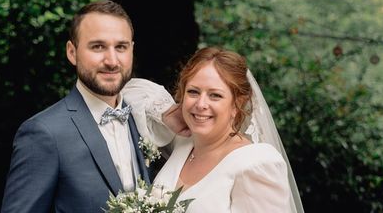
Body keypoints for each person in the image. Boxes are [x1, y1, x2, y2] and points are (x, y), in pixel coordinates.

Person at [0, 0, 178, 213]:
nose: (112, 61)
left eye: (120, 47)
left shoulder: (141, 119)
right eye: (98, 47)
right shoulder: (43, 133)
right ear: (72, 52)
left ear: (132, 50)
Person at [124, 46, 304, 213]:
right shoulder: (184, 144)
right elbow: (127, 90)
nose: (201, 104)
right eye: (193, 92)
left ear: (237, 104)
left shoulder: (257, 163)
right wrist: (165, 113)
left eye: (215, 95)